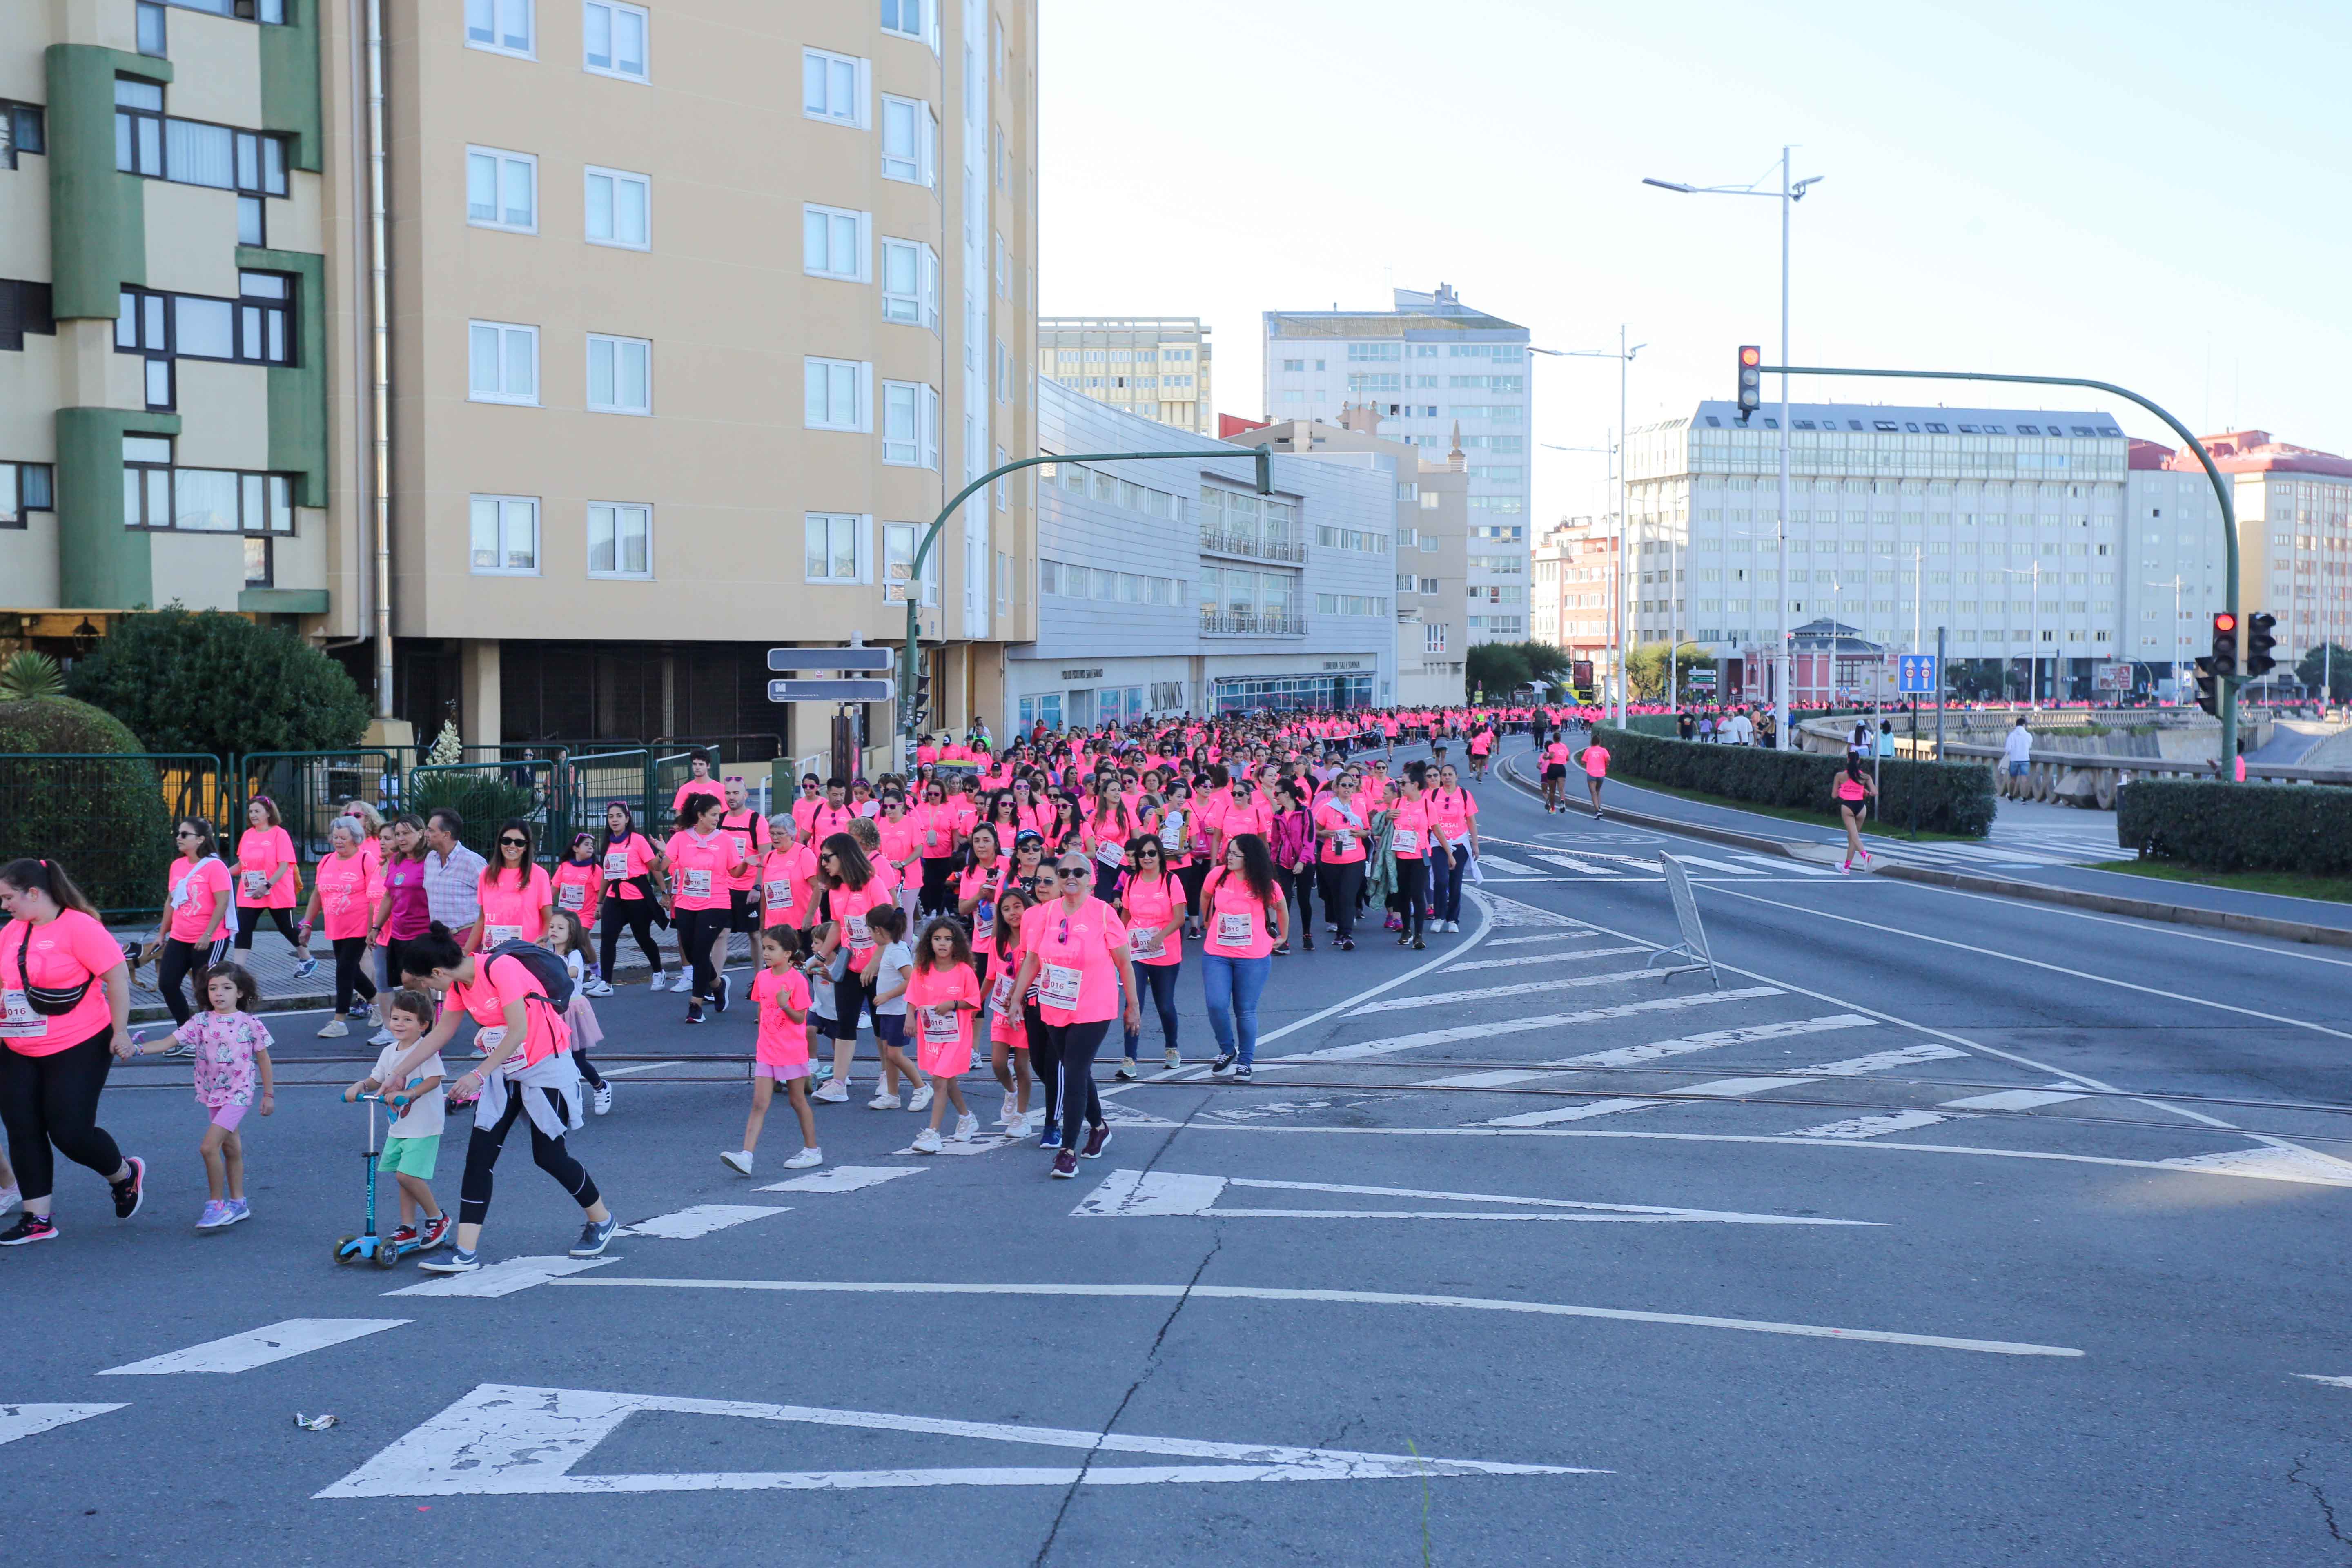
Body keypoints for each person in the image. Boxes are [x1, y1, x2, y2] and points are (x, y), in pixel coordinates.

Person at [397, 923, 616, 1274]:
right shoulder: (459, 985)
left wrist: (477, 1075)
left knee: (550, 1158)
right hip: (504, 1069)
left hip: (546, 1066)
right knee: (478, 1158)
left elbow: (519, 1030)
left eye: (425, 982)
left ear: (437, 971)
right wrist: (396, 1073)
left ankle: (602, 1220)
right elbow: (441, 1033)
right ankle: (465, 1252)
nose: (427, 989)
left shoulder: (500, 968)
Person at [0, 858, 144, 1246]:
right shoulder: (12, 932)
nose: (5, 905)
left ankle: (124, 1176)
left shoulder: (80, 926)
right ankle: (38, 1218)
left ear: (34, 892)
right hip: (17, 1045)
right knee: (22, 1127)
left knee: (70, 1131)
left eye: (9, 897)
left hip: (79, 1042)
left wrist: (121, 1032)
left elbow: (115, 979)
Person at [1011, 852, 1142, 1176]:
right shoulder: (1047, 913)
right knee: (1075, 1069)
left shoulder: (1104, 913)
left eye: (1078, 872)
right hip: (1055, 1003)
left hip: (1094, 1005)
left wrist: (1133, 1004)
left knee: (1073, 1071)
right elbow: (1032, 959)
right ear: (1057, 878)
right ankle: (1098, 1126)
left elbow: (1124, 962)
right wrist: (1016, 998)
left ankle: (1067, 1152)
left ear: (1090, 878)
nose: (1071, 877)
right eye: (1065, 872)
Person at [129, 961, 272, 1230]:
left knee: (208, 1148)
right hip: (212, 1093)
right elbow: (167, 1043)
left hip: (240, 1094)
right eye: (213, 988)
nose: (219, 993)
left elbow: (264, 1059)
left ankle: (216, 1206)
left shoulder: (250, 1023)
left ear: (240, 993)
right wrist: (136, 1050)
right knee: (231, 1148)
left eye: (227, 988)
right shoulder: (200, 1022)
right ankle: (239, 1203)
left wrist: (269, 1095)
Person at [343, 987, 449, 1252]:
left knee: (406, 1175)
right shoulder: (390, 1051)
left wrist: (409, 1093)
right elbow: (377, 1079)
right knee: (403, 1178)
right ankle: (408, 1227)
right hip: (399, 1126)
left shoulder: (426, 1050)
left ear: (424, 1025)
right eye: (396, 1018)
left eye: (408, 1020)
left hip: (424, 1126)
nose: (399, 1024)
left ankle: (438, 1219)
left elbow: (435, 1079)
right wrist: (360, 1086)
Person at [721, 927, 821, 1176]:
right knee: (759, 1103)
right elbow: (762, 1009)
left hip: (792, 1051)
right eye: (764, 948)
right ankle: (746, 1156)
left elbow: (800, 1019)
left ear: (788, 953)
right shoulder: (763, 977)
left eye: (771, 949)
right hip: (767, 1050)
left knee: (797, 1101)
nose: (765, 953)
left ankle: (812, 1150)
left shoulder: (797, 980)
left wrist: (785, 1005)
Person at [810, 833, 893, 1102]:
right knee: (845, 1023)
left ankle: (887, 1077)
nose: (823, 863)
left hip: (878, 968)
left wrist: (876, 962)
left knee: (882, 1026)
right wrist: (821, 957)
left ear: (844, 856)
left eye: (827, 857)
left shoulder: (873, 884)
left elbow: (888, 927)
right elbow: (837, 926)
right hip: (851, 967)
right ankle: (838, 1082)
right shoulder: (836, 889)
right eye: (821, 857)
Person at [1200, 833, 1285, 1081]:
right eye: (1229, 852)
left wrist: (1283, 935)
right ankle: (1227, 1050)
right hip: (1217, 951)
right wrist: (1206, 920)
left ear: (1250, 858)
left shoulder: (1263, 882)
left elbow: (1281, 907)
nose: (1230, 857)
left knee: (1245, 1010)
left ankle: (1246, 1061)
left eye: (1236, 854)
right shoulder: (1218, 875)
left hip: (1253, 955)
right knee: (1216, 1004)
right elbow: (1206, 896)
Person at [904, 916, 983, 1153]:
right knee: (946, 1079)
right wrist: (910, 1018)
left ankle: (933, 1133)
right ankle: (966, 1117)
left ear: (956, 944)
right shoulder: (922, 971)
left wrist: (954, 1004)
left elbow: (974, 1002)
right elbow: (913, 997)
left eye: (948, 940)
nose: (942, 944)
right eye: (937, 939)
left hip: (957, 1035)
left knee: (939, 1079)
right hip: (932, 1035)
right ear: (929, 942)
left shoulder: (964, 972)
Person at [666, 794, 746, 1025]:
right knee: (691, 954)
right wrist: (660, 851)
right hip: (685, 902)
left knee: (701, 953)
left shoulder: (725, 841)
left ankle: (696, 1006)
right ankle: (719, 985)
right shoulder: (681, 838)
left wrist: (746, 864)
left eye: (718, 815)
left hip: (716, 903)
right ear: (700, 816)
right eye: (713, 814)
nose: (718, 818)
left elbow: (735, 872)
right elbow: (662, 865)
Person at [151, 817, 232, 1031]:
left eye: (185, 834)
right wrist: (162, 933)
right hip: (179, 937)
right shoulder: (177, 866)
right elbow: (171, 901)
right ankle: (188, 1031)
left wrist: (207, 935)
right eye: (178, 833)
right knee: (167, 984)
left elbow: (222, 903)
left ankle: (214, 1034)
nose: (179, 838)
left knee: (205, 990)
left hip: (209, 939)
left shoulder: (215, 867)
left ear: (200, 840)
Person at [301, 817, 376, 1039]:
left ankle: (339, 1021)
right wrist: (307, 924)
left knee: (344, 969)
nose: (338, 841)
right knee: (353, 971)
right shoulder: (326, 861)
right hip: (336, 925)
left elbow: (375, 896)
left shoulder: (366, 860)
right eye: (335, 837)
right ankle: (381, 1007)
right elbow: (317, 894)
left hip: (360, 924)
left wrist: (375, 927)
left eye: (343, 837)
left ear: (356, 839)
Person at [1116, 835, 1185, 1075]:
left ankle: (1172, 1049)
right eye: (1141, 854)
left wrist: (1160, 937)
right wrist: (1117, 942)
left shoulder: (1171, 881)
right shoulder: (1132, 881)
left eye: (1151, 853)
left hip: (1166, 953)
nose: (1146, 858)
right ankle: (1129, 1060)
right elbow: (1125, 915)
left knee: (1165, 1005)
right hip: (1136, 953)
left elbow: (1179, 918)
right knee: (1133, 1004)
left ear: (1160, 855)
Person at [228, 795, 315, 975]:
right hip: (251, 891)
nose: (253, 815)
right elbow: (241, 865)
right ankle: (237, 970)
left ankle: (307, 958)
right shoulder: (247, 835)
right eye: (251, 811)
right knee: (244, 928)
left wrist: (267, 886)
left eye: (257, 811)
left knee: (286, 928)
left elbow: (284, 866)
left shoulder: (279, 834)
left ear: (268, 813)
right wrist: (220, 873)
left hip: (276, 890)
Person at [369, 814, 433, 1044]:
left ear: (421, 833)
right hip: (399, 932)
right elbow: (389, 896)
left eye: (406, 833)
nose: (401, 838)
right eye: (398, 834)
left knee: (410, 979)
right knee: (409, 983)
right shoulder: (396, 860)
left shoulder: (432, 860)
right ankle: (427, 1023)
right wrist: (376, 927)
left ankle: (427, 1027)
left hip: (424, 932)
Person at [862, 904, 931, 1111]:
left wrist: (886, 996)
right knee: (888, 1051)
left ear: (878, 931)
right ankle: (892, 1094)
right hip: (889, 1011)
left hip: (897, 1011)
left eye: (869, 929)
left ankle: (922, 1087)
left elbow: (912, 980)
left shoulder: (898, 950)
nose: (869, 934)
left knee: (894, 1054)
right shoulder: (893, 948)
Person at [597, 802, 670, 991]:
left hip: (638, 897)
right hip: (615, 897)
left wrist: (664, 893)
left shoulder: (637, 840)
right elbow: (607, 874)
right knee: (608, 936)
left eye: (619, 816)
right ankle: (606, 983)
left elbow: (653, 868)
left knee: (642, 937)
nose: (615, 820)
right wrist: (600, 901)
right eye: (611, 816)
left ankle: (658, 971)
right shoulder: (607, 843)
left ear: (627, 819)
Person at [545, 909, 611, 1116]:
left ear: (571, 934)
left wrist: (553, 971)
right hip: (552, 1011)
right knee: (551, 1059)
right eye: (552, 926)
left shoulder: (574, 955)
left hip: (573, 1011)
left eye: (560, 928)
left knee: (577, 1060)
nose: (554, 931)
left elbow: (573, 971)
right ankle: (564, 1098)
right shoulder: (549, 953)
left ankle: (601, 1087)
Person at [985, 888, 1036, 1132]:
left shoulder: (1034, 940)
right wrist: (973, 1003)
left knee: (1021, 1066)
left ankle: (1022, 1116)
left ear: (1027, 907)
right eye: (1006, 909)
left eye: (1017, 906)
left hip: (1026, 1012)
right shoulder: (997, 944)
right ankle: (1011, 1092)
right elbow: (990, 978)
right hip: (1001, 1011)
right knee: (997, 1063)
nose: (1013, 913)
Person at [470, 819, 553, 954]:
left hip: (526, 953)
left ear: (526, 847)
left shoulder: (539, 875)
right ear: (500, 843)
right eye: (507, 841)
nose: (512, 846)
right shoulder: (487, 874)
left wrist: (542, 942)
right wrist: (465, 951)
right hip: (492, 954)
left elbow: (548, 918)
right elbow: (482, 920)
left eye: (519, 843)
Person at [1385, 764, 1445, 951]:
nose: (1401, 786)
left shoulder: (1428, 805)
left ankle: (1419, 935)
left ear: (1415, 785)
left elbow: (1437, 830)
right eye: (1400, 783)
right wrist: (1388, 816)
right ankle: (1406, 930)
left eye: (1404, 783)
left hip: (1420, 855)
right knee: (1402, 895)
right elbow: (1386, 827)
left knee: (1418, 894)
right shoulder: (1396, 803)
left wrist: (1449, 854)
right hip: (1400, 855)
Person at [1312, 768, 1370, 951]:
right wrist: (1324, 833)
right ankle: (1339, 933)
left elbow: (1368, 831)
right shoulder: (1327, 807)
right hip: (1331, 859)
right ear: (1336, 788)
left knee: (1348, 895)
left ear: (1354, 788)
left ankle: (1347, 934)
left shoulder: (1359, 808)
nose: (1347, 788)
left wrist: (1361, 833)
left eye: (1350, 785)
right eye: (1343, 785)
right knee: (1336, 896)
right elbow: (1315, 830)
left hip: (1355, 858)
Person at [717, 777, 771, 968]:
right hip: (724, 887)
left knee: (755, 934)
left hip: (749, 888)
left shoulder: (757, 821)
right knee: (721, 932)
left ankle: (759, 979)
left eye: (736, 793)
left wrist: (757, 887)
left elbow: (765, 858)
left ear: (746, 795)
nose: (731, 797)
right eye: (728, 793)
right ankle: (716, 981)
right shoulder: (720, 819)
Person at [550, 833, 608, 995]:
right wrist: (542, 904)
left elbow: (600, 892)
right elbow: (554, 888)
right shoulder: (564, 867)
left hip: (587, 913)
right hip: (568, 913)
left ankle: (577, 974)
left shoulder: (595, 870)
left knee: (578, 939)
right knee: (584, 943)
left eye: (592, 845)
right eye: (586, 844)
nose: (591, 847)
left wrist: (600, 906)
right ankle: (595, 973)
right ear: (575, 848)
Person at [421, 808, 487, 949]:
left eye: (431, 830)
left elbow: (491, 902)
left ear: (446, 835)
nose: (426, 834)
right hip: (438, 939)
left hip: (466, 937)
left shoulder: (473, 862)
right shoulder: (430, 859)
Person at [1268, 782, 1316, 956]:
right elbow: (1274, 842)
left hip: (1305, 863)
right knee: (1284, 901)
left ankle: (1307, 934)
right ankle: (1284, 940)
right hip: (1283, 863)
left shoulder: (1305, 813)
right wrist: (1274, 861)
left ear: (1287, 794)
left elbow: (1310, 840)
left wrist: (1303, 862)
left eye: (1278, 794)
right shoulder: (1278, 816)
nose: (1276, 797)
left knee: (1304, 901)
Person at [1429, 764, 1479, 933]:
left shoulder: (1465, 795)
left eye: (1451, 775)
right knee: (1441, 880)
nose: (1447, 778)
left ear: (1457, 777)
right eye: (1444, 775)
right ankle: (1439, 917)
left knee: (1456, 883)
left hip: (1459, 843)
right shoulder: (1434, 795)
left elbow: (1471, 821)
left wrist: (1475, 845)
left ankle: (1453, 919)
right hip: (1438, 844)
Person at [1834, 753, 1878, 873]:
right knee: (1853, 838)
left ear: (1848, 760)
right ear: (1859, 761)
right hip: (1861, 807)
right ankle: (1846, 867)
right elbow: (1875, 792)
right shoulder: (1865, 777)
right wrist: (1867, 793)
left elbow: (1834, 796)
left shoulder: (1840, 776)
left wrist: (1843, 790)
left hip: (1848, 806)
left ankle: (1866, 856)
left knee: (1854, 837)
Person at [1577, 735, 1610, 819]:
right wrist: (1607, 764)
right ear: (1600, 742)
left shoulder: (1589, 751)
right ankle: (1599, 807)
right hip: (1601, 773)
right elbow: (1609, 759)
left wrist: (1588, 761)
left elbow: (1582, 762)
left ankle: (1597, 810)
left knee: (1593, 792)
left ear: (1592, 742)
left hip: (1592, 774)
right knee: (1598, 791)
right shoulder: (1604, 751)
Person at [1540, 734, 1572, 813]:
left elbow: (1552, 756)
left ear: (1554, 739)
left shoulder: (1552, 746)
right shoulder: (1564, 746)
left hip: (1553, 768)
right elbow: (1568, 758)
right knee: (1561, 789)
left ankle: (1553, 809)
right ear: (1560, 739)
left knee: (1552, 791)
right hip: (1562, 768)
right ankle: (1562, 800)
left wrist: (1546, 758)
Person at [2002, 716, 2033, 788]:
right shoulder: (2028, 735)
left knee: (2013, 779)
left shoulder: (2012, 735)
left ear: (2016, 725)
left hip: (2014, 760)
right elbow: (2030, 747)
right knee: (2024, 779)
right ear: (2024, 725)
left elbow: (2008, 749)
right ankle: (2024, 797)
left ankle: (2011, 795)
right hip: (2025, 759)